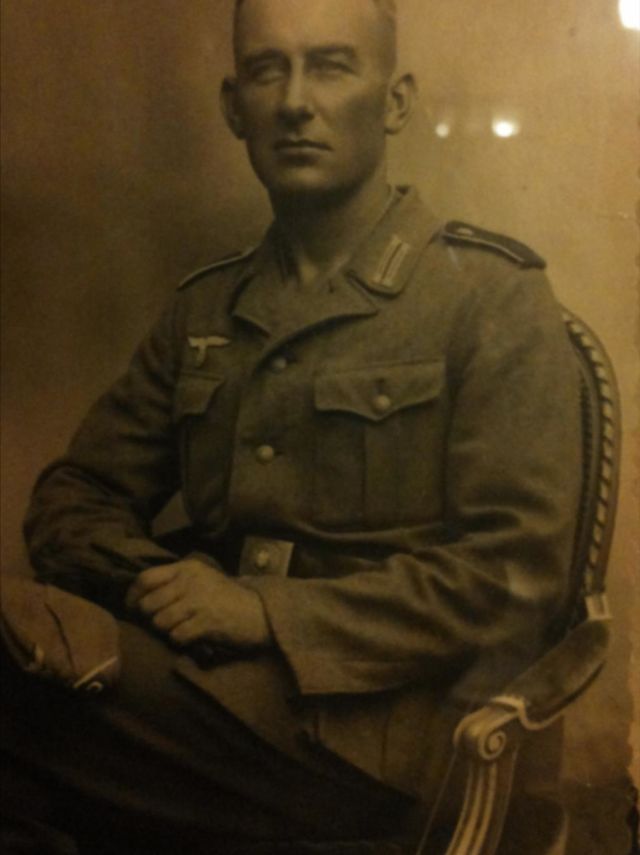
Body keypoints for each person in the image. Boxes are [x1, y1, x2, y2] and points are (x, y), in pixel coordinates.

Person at [1, 0, 582, 852]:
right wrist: (154, 585)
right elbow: (74, 495)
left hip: (381, 741)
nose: (295, 102)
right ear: (234, 106)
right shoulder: (207, 306)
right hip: (209, 694)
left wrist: (266, 612)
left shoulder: (489, 297)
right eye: (267, 71)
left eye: (332, 66)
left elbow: (515, 578)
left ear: (395, 101)